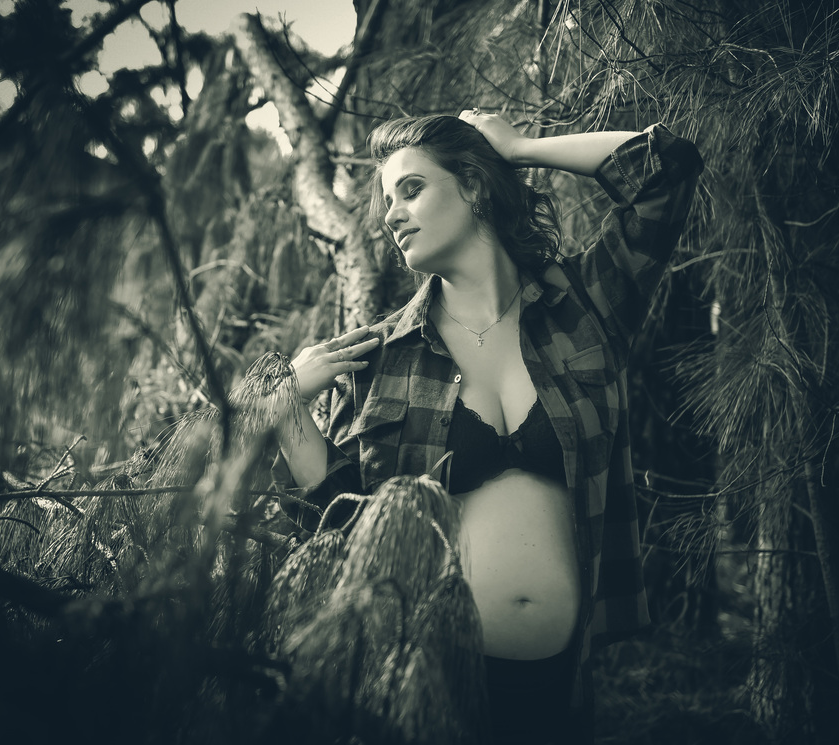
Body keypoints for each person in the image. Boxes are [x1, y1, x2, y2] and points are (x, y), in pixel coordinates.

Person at [274, 109, 703, 744]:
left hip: (563, 688)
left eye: (411, 189)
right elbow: (344, 527)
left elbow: (667, 170)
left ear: (474, 185)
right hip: (429, 688)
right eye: (387, 200)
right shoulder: (380, 355)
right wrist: (284, 403)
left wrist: (521, 147)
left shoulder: (583, 305)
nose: (391, 215)